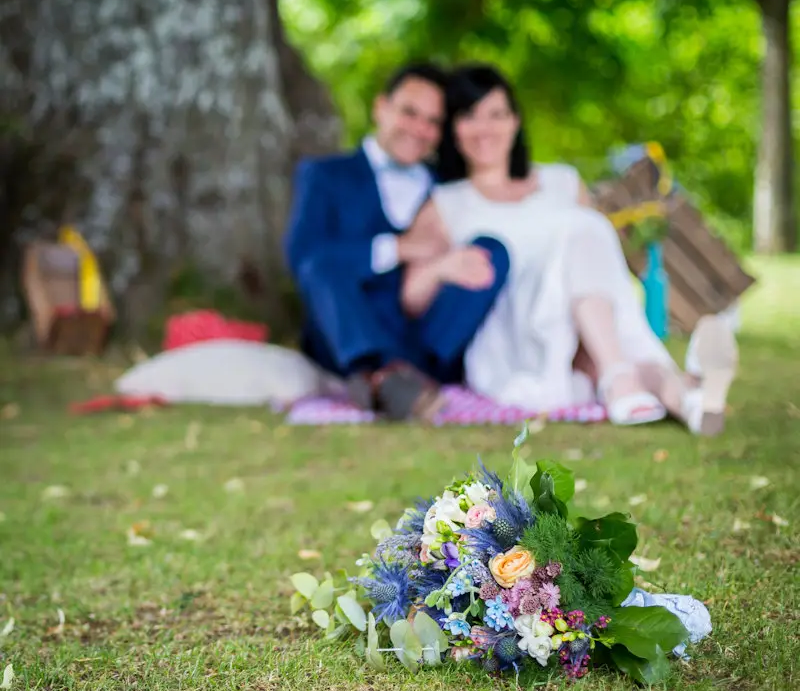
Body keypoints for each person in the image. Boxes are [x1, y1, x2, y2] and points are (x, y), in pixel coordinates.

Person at [400, 64, 738, 434]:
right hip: (511, 335)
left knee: (593, 270)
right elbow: (411, 298)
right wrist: (441, 267)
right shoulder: (445, 203)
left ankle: (683, 401)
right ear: (453, 128)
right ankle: (659, 383)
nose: (486, 129)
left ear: (515, 121)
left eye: (497, 114)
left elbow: (601, 265)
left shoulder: (561, 180)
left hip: (583, 321)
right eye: (470, 116)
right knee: (583, 229)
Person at [283, 63, 510, 421]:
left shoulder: (448, 187)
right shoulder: (325, 175)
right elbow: (301, 258)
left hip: (424, 336)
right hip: (350, 333)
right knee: (320, 263)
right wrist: (398, 248)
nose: (420, 129)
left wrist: (442, 265)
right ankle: (381, 374)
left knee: (490, 251)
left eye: (433, 122)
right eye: (409, 112)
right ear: (381, 108)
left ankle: (411, 379)